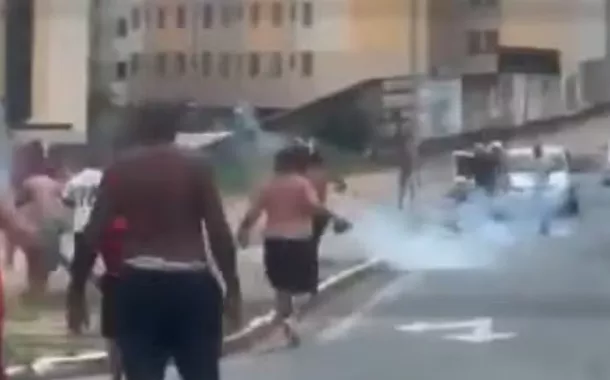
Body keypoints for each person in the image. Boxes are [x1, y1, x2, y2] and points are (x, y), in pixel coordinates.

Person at [69, 104, 241, 380]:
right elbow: (219, 232)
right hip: (192, 283)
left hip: (138, 284)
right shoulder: (197, 167)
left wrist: (75, 292)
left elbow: (92, 234)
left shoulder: (121, 170)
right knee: (201, 372)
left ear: (137, 130)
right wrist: (232, 287)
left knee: (142, 372)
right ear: (174, 130)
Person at [236, 145, 350, 347]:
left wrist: (243, 230)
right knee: (303, 287)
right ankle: (292, 320)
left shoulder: (267, 185)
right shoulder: (301, 184)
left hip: (274, 241)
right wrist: (336, 218)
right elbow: (314, 206)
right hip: (300, 240)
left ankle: (286, 321)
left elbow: (254, 212)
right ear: (296, 164)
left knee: (282, 286)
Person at [14, 141, 67, 301]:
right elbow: (65, 199)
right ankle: (39, 289)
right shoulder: (54, 183)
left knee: (33, 257)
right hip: (55, 224)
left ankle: (34, 290)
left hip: (37, 227)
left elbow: (18, 201)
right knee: (44, 258)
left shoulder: (28, 182)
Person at [302, 145, 348, 295]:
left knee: (304, 247)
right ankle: (312, 282)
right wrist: (339, 187)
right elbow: (341, 183)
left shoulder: (303, 174)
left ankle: (304, 279)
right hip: (320, 214)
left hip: (305, 214)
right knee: (313, 247)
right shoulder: (324, 172)